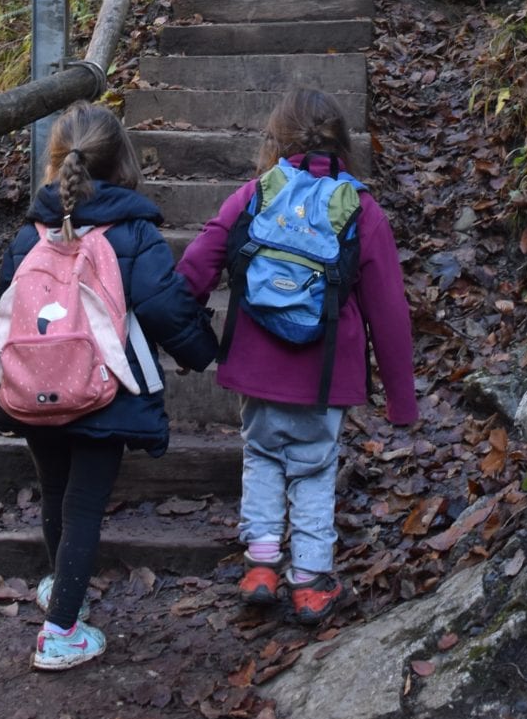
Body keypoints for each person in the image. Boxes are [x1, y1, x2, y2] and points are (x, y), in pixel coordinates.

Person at [0, 102, 217, 671]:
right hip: (105, 387)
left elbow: (2, 315)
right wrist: (206, 354)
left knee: (55, 492)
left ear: (55, 162)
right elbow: (163, 307)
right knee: (85, 504)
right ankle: (61, 631)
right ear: (123, 161)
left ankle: (64, 586)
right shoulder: (132, 232)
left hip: (33, 386)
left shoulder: (29, 232)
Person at [176, 87, 417, 626]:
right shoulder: (361, 209)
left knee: (261, 455)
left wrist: (174, 323)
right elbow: (390, 313)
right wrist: (402, 400)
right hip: (324, 372)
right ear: (342, 144)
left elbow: (200, 261)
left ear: (276, 140)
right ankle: (309, 582)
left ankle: (260, 567)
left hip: (256, 366)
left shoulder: (257, 194)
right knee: (312, 467)